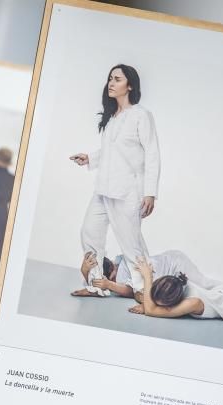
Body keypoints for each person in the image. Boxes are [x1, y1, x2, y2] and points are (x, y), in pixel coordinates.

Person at [70, 64, 160, 297]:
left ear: (129, 85)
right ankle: (96, 285)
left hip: (128, 191)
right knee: (89, 232)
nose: (111, 83)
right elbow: (112, 152)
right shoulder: (112, 117)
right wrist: (90, 157)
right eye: (110, 78)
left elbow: (152, 153)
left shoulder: (141, 115)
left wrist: (150, 192)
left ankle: (145, 293)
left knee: (131, 244)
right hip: (103, 188)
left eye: (117, 79)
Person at [76, 249, 219, 302]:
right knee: (201, 290)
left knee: (205, 286)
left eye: (110, 278)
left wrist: (109, 285)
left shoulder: (121, 272)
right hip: (171, 261)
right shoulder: (119, 260)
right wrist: (85, 270)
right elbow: (93, 286)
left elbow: (131, 290)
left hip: (176, 264)